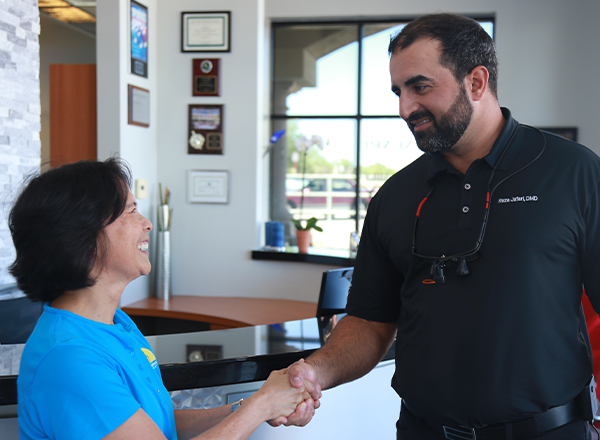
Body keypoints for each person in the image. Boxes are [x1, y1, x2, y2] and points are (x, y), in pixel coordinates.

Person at [284, 13, 600, 440]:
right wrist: (314, 372)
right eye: (398, 91)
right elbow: (369, 322)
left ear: (476, 82)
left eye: (420, 86)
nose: (404, 108)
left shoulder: (573, 172)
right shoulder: (394, 197)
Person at [10, 158, 311, 440]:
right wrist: (262, 405)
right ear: (81, 237)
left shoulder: (115, 323)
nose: (147, 223)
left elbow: (155, 424)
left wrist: (249, 407)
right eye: (130, 211)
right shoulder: (71, 358)